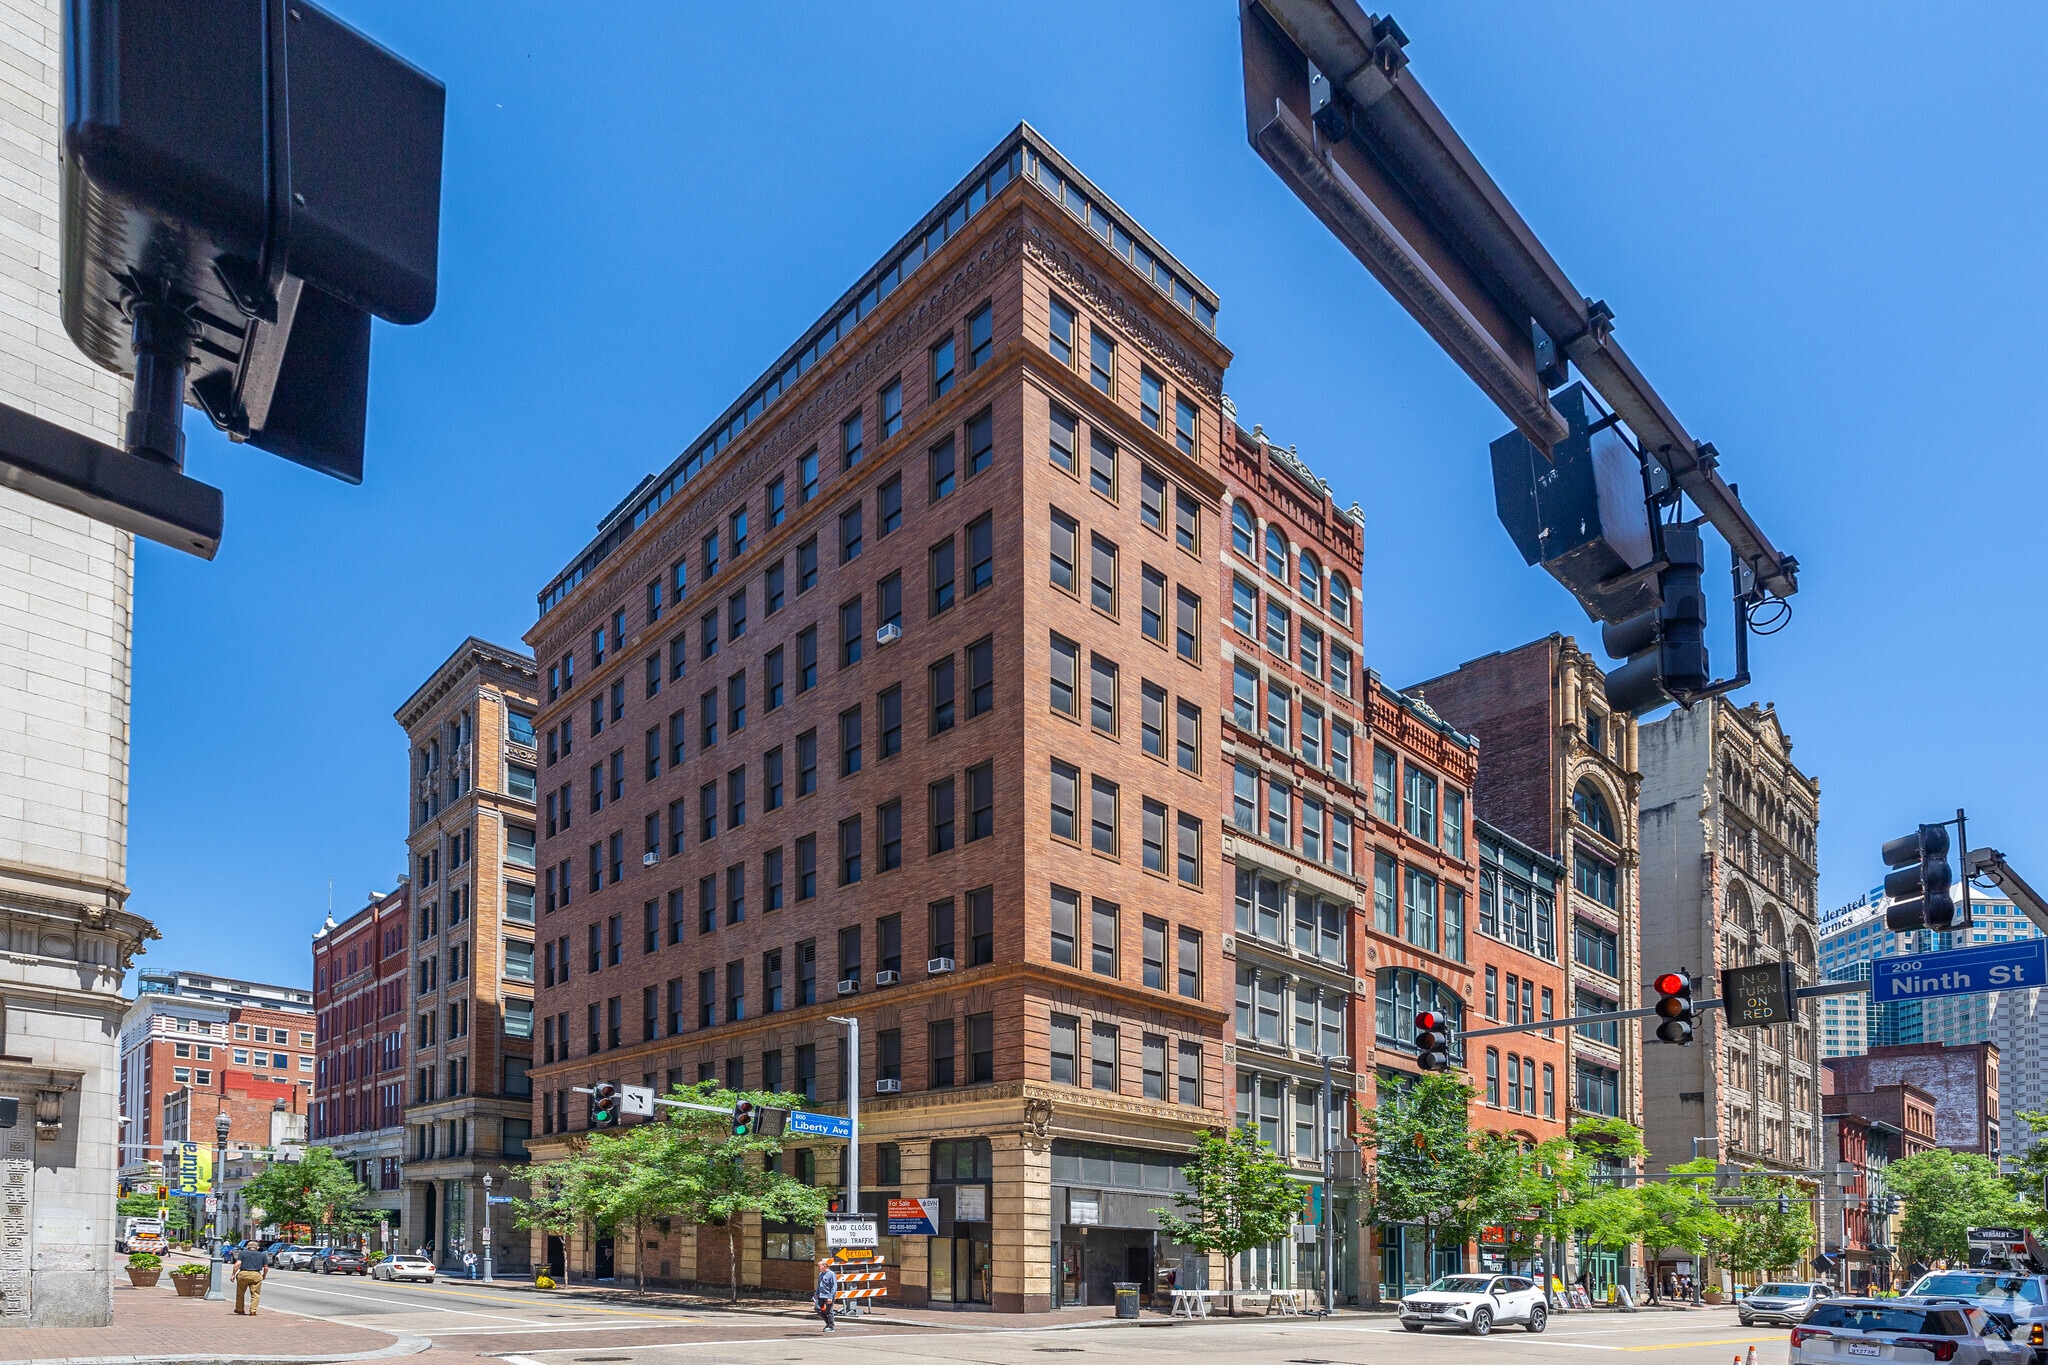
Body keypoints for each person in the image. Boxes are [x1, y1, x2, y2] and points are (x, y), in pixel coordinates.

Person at [232, 1241, 269, 1316]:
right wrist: (264, 1275)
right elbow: (266, 1267)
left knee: (240, 1293)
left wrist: (233, 1274)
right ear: (257, 1248)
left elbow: (237, 1264)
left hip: (243, 1273)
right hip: (256, 1274)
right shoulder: (262, 1255)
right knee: (255, 1294)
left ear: (247, 1247)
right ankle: (253, 1310)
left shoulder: (243, 1253)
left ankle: (239, 1309)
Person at [814, 1259, 839, 1333]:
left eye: (819, 1266)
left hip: (828, 1295)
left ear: (824, 1266)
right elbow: (819, 1285)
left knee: (829, 1311)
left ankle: (830, 1326)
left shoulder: (831, 1274)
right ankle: (828, 1323)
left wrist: (830, 1297)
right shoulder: (821, 1274)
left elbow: (834, 1286)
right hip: (820, 1295)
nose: (818, 1268)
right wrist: (816, 1294)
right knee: (817, 1308)